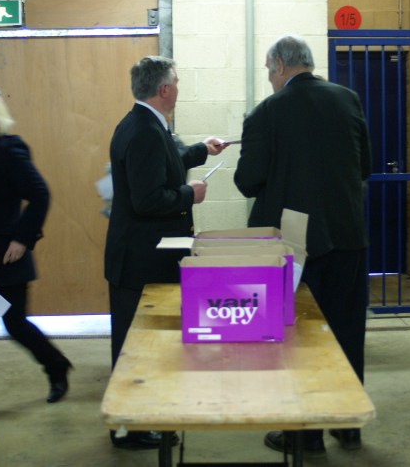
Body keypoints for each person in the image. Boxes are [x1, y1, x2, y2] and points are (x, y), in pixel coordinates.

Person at [234, 34, 373, 457]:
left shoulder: (266, 112)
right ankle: (347, 425)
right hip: (348, 236)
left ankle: (305, 436)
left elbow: (247, 182)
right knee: (346, 331)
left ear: (280, 65)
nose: (269, 78)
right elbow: (365, 166)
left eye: (268, 70)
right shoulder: (348, 100)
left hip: (293, 247)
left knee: (298, 336)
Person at [104, 55, 227, 449]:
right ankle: (129, 429)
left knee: (139, 345)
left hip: (141, 258)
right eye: (176, 82)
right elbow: (148, 199)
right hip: (140, 263)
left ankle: (136, 421)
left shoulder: (144, 124)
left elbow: (165, 164)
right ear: (164, 89)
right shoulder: (144, 131)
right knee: (135, 348)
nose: (178, 88)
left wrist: (201, 150)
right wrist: (190, 195)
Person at [0, 95, 73, 403]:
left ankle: (56, 366)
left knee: (15, 323)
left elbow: (39, 193)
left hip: (5, 255)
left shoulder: (8, 149)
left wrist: (22, 238)